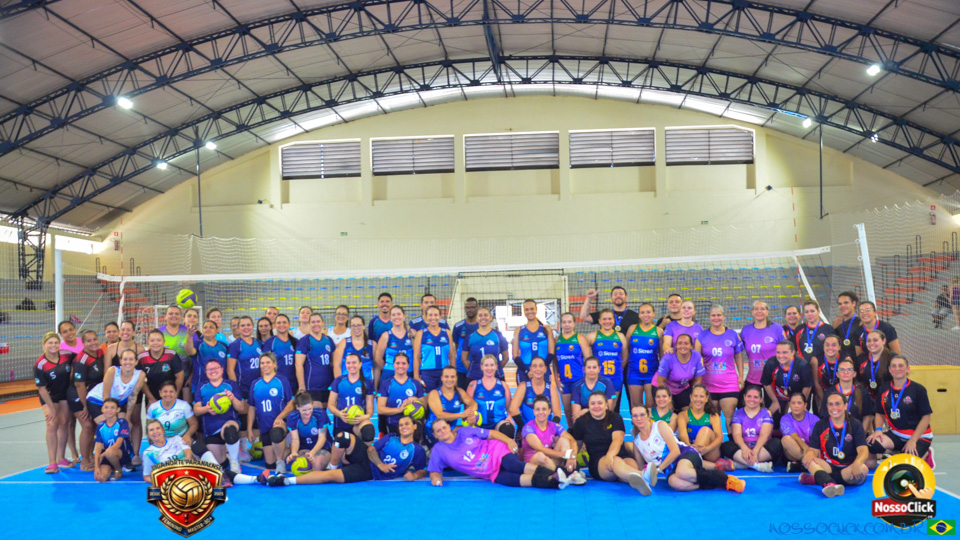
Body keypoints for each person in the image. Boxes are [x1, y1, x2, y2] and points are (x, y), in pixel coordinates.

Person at [264, 415, 426, 486]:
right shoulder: (391, 437)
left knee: (329, 477)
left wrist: (414, 475)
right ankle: (334, 464)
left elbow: (422, 470)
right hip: (366, 457)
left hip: (367, 472)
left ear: (414, 426)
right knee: (342, 437)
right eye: (401, 424)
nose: (403, 427)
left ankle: (286, 480)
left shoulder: (416, 450)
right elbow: (370, 449)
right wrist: (381, 465)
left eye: (406, 424)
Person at [428, 419, 571, 489]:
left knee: (513, 464)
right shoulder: (438, 450)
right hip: (489, 472)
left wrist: (509, 440)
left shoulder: (464, 431)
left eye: (444, 427)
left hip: (496, 450)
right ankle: (552, 481)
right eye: (438, 430)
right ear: (434, 435)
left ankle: (559, 473)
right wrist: (436, 479)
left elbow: (492, 434)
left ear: (449, 427)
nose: (443, 431)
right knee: (515, 481)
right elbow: (434, 471)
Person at [631, 404, 745, 493]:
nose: (639, 418)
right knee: (676, 483)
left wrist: (659, 469)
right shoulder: (637, 442)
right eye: (635, 416)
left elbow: (675, 451)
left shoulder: (659, 426)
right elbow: (642, 467)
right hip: (670, 469)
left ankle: (726, 480)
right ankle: (713, 483)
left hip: (684, 454)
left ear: (648, 416)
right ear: (631, 419)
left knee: (683, 472)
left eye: (642, 415)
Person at [569, 391, 651, 495]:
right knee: (616, 462)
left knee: (631, 465)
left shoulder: (615, 417)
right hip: (599, 462)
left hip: (620, 455)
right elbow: (577, 444)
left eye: (600, 403)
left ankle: (637, 481)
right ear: (588, 405)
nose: (596, 406)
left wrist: (610, 454)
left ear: (606, 405)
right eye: (593, 403)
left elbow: (618, 439)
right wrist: (571, 460)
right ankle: (644, 475)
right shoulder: (581, 422)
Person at [867, 355, 935, 469]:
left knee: (906, 466)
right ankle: (898, 451)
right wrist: (878, 430)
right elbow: (879, 413)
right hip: (896, 434)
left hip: (919, 436)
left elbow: (926, 417)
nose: (897, 368)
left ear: (907, 369)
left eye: (901, 365)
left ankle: (925, 453)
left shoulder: (918, 389)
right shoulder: (884, 388)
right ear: (889, 370)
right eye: (893, 366)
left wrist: (913, 440)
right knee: (871, 443)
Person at [800, 392, 872, 498]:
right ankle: (828, 483)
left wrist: (857, 463)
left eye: (838, 404)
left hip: (849, 469)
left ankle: (819, 479)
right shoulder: (820, 425)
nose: (834, 407)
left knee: (863, 469)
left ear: (845, 406)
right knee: (809, 460)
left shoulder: (855, 424)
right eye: (830, 404)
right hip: (829, 467)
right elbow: (814, 449)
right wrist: (810, 453)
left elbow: (863, 450)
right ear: (827, 406)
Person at [193, 359, 246, 472]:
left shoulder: (230, 385)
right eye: (209, 369)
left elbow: (241, 408)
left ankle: (234, 461)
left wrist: (233, 398)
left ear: (222, 370)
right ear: (206, 372)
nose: (213, 371)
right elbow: (196, 410)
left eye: (216, 368)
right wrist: (206, 409)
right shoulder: (201, 387)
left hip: (229, 422)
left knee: (229, 431)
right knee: (219, 464)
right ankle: (229, 455)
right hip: (211, 429)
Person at [698, 305, 743, 433]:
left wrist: (740, 376)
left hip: (729, 383)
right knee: (712, 418)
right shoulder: (702, 336)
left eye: (719, 315)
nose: (716, 318)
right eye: (713, 315)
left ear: (723, 316)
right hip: (708, 383)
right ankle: (714, 447)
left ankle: (732, 445)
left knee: (730, 417)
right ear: (709, 318)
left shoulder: (732, 334)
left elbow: (739, 357)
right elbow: (697, 358)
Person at [521, 395, 584, 484]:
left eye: (544, 409)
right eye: (538, 409)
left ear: (549, 411)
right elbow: (540, 449)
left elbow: (572, 440)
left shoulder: (554, 425)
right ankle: (568, 473)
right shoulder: (528, 428)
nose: (541, 412)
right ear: (534, 411)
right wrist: (564, 454)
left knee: (564, 440)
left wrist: (572, 457)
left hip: (550, 462)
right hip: (533, 464)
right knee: (540, 456)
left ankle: (568, 471)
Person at [248, 352, 294, 473]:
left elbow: (291, 403)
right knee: (270, 464)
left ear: (274, 364)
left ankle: (281, 462)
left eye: (268, 362)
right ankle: (288, 450)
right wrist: (249, 429)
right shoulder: (255, 384)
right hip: (264, 426)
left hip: (279, 424)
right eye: (262, 363)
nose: (265, 365)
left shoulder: (281, 381)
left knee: (276, 433)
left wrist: (280, 417)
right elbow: (251, 407)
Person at [36, 332, 75, 473]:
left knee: (64, 423)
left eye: (56, 342)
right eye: (50, 343)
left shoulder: (67, 355)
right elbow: (42, 389)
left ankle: (61, 458)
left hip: (64, 394)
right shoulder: (40, 364)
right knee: (52, 423)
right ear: (44, 345)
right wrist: (52, 409)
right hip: (49, 396)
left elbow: (80, 360)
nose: (53, 345)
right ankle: (52, 462)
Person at [328, 353, 376, 467]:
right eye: (348, 363)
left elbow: (370, 409)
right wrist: (340, 414)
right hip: (341, 423)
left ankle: (367, 458)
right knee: (346, 462)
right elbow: (330, 404)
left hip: (357, 424)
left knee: (369, 429)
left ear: (360, 364)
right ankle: (333, 466)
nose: (351, 365)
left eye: (354, 362)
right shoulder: (339, 381)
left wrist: (365, 416)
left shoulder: (367, 382)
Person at [720, 386, 780, 472]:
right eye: (749, 396)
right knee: (725, 445)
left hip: (761, 450)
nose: (752, 399)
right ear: (744, 397)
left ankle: (741, 464)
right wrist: (744, 448)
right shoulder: (738, 413)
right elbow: (737, 435)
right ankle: (757, 466)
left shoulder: (766, 413)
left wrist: (755, 451)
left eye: (755, 397)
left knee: (777, 443)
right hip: (744, 450)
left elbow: (764, 435)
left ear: (761, 399)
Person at [676, 385, 733, 470]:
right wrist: (690, 447)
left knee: (705, 430)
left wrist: (706, 449)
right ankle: (716, 465)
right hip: (690, 448)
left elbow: (719, 437)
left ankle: (691, 458)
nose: (698, 399)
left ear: (706, 398)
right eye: (695, 396)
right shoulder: (683, 415)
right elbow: (683, 435)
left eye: (701, 396)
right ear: (691, 397)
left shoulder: (713, 415)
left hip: (710, 452)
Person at [70, 330, 104, 471]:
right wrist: (85, 406)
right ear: (83, 343)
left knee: (94, 426)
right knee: (88, 426)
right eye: (89, 341)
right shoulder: (81, 359)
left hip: (94, 395)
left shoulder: (100, 352)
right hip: (78, 395)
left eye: (94, 339)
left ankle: (90, 456)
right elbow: (79, 384)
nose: (93, 343)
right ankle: (84, 461)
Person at [85, 349, 145, 425]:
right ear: (120, 361)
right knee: (109, 427)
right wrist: (110, 415)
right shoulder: (112, 371)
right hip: (97, 400)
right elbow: (105, 395)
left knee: (122, 427)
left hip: (118, 402)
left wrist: (127, 418)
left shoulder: (140, 375)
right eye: (125, 359)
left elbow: (132, 397)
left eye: (131, 359)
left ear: (136, 362)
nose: (128, 362)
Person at [761, 340, 812, 424]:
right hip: (778, 395)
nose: (781, 356)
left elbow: (807, 386)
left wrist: (802, 403)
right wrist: (774, 401)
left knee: (799, 419)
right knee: (775, 420)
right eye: (778, 352)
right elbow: (766, 383)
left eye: (785, 352)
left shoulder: (802, 365)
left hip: (798, 395)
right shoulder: (771, 363)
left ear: (793, 352)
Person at [282, 392, 332, 474]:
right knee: (301, 467)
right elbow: (295, 439)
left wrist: (312, 453)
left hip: (322, 447)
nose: (308, 412)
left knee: (317, 466)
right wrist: (294, 452)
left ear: (312, 405)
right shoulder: (292, 417)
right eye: (304, 410)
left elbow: (322, 438)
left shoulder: (320, 414)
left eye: (310, 409)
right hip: (304, 447)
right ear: (297, 407)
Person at [554, 312, 591, 424]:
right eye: (564, 322)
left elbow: (589, 360)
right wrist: (556, 378)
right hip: (564, 382)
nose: (567, 325)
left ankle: (582, 435)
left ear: (574, 324)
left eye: (569, 322)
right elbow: (555, 362)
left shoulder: (580, 338)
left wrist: (588, 380)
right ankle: (572, 432)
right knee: (568, 411)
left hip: (579, 380)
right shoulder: (556, 340)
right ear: (560, 324)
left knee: (579, 411)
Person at [624, 303, 662, 410]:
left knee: (651, 406)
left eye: (648, 312)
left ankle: (650, 427)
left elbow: (662, 354)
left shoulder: (658, 331)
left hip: (652, 373)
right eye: (642, 312)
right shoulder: (632, 329)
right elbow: (625, 349)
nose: (646, 315)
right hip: (634, 373)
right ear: (639, 315)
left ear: (654, 314)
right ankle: (636, 427)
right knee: (636, 406)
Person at [739, 301, 784, 391]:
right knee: (744, 403)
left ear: (767, 312)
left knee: (774, 404)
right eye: (756, 309)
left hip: (773, 378)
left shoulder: (777, 328)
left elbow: (787, 350)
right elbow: (736, 348)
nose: (759, 311)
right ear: (752, 312)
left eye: (762, 309)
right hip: (753, 378)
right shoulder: (746, 330)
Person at [425, 366, 477, 443]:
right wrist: (462, 415)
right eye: (446, 377)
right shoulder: (435, 393)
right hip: (435, 432)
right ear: (442, 378)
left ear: (456, 378)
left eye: (452, 377)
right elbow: (440, 415)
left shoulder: (459, 391)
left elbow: (473, 403)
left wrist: (470, 413)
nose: (449, 379)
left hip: (451, 430)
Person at [653, 334, 705, 412]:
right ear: (676, 346)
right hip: (664, 387)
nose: (682, 346)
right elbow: (660, 381)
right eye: (680, 343)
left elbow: (697, 380)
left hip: (682, 389)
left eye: (686, 343)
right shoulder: (668, 358)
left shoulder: (697, 356)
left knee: (688, 412)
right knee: (668, 412)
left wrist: (693, 399)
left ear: (691, 346)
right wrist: (668, 401)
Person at [467, 354, 514, 437]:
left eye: (492, 365)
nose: (489, 368)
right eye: (486, 365)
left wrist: (509, 417)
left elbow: (508, 408)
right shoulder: (473, 385)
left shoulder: (503, 385)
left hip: (498, 424)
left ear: (496, 366)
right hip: (479, 425)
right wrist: (471, 419)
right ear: (481, 367)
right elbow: (468, 409)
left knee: (508, 428)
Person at [377, 353, 425, 434]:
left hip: (412, 425)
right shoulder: (386, 384)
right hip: (394, 424)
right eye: (398, 363)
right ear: (393, 365)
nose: (400, 366)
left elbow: (425, 407)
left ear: (408, 365)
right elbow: (380, 409)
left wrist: (417, 400)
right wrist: (399, 410)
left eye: (403, 363)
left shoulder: (415, 383)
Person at [295, 312, 335, 409]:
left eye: (318, 321)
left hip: (328, 384)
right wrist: (301, 385)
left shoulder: (328, 340)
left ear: (323, 323)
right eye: (313, 322)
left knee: (325, 413)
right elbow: (298, 364)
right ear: (309, 324)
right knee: (317, 413)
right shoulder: (305, 341)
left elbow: (334, 362)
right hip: (312, 386)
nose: (316, 324)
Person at [509, 357, 562, 429]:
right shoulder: (524, 386)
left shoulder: (551, 389)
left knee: (565, 439)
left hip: (545, 430)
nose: (538, 369)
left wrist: (550, 430)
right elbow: (513, 409)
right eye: (535, 366)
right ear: (530, 368)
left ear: (545, 369)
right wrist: (523, 428)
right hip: (527, 430)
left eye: (541, 366)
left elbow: (557, 413)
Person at [586, 309, 626, 403]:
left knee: (611, 406)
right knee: (598, 404)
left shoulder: (620, 336)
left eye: (609, 319)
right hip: (598, 378)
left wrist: (619, 369)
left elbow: (625, 357)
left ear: (614, 320)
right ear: (599, 321)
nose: (607, 321)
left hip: (616, 377)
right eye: (604, 319)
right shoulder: (592, 336)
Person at [822, 357, 874, 431]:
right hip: (835, 433)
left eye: (849, 370)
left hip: (857, 433)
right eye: (842, 370)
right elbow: (825, 418)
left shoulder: (863, 392)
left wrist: (860, 437)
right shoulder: (829, 393)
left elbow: (867, 417)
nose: (845, 372)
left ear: (854, 374)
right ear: (837, 374)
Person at [512, 299, 554, 385]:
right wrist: (527, 370)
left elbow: (551, 353)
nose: (529, 311)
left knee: (544, 398)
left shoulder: (546, 329)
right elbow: (515, 356)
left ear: (536, 309)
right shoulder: (518, 330)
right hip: (524, 371)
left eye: (532, 309)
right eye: (526, 309)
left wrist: (541, 369)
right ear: (523, 311)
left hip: (543, 370)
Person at [414, 305, 456, 392]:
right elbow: (416, 357)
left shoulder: (447, 333)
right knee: (428, 399)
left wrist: (454, 374)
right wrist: (416, 376)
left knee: (444, 398)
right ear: (426, 317)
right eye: (430, 315)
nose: (433, 318)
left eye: (436, 315)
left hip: (445, 373)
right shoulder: (420, 333)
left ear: (440, 317)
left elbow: (452, 355)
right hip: (427, 373)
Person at [58, 320, 83, 465]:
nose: (69, 333)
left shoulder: (83, 342)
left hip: (83, 387)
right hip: (66, 388)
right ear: (61, 335)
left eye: (71, 329)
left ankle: (89, 451)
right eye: (65, 331)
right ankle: (74, 453)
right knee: (69, 422)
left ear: (75, 330)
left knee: (86, 422)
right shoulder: (60, 348)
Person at [139, 329, 184, 407]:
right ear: (148, 342)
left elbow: (180, 376)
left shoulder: (171, 354)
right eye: (152, 340)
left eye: (158, 340)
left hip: (170, 394)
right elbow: (140, 380)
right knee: (152, 418)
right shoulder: (142, 358)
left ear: (164, 341)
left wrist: (174, 395)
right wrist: (150, 398)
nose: (155, 343)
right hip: (152, 395)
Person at [185, 320, 229, 400]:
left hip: (221, 386)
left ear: (217, 330)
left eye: (211, 327)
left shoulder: (224, 346)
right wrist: (189, 336)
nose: (208, 329)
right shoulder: (198, 344)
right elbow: (189, 352)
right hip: (201, 385)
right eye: (205, 327)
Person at [462, 307, 509, 381]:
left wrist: (494, 369)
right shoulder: (470, 336)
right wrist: (474, 371)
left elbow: (505, 358)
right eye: (480, 315)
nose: (483, 317)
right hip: (475, 377)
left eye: (486, 315)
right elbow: (464, 359)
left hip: (496, 376)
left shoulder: (498, 335)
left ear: (491, 318)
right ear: (476, 319)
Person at [145, 380, 198, 445]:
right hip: (162, 442)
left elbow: (194, 424)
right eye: (165, 391)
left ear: (175, 393)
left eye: (171, 391)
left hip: (182, 440)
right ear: (160, 393)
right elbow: (148, 428)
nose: (168, 394)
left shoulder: (184, 406)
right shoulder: (153, 408)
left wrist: (187, 435)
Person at [93, 398, 133, 482]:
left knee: (110, 453)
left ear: (118, 410)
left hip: (122, 454)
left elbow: (118, 444)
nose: (109, 410)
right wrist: (96, 467)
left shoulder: (122, 422)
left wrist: (102, 455)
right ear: (102, 409)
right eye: (106, 407)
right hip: (107, 454)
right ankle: (110, 468)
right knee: (100, 478)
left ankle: (118, 470)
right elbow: (98, 448)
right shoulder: (100, 426)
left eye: (112, 407)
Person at [375, 306, 414, 390]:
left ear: (404, 316)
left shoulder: (412, 334)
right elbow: (378, 358)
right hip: (390, 374)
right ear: (390, 318)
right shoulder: (385, 335)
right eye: (393, 315)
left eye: (399, 314)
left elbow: (419, 355)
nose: (396, 317)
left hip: (409, 373)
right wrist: (390, 368)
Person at [779, 392, 819, 472]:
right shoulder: (785, 419)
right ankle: (809, 463)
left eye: (799, 403)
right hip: (795, 453)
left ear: (805, 405)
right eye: (793, 403)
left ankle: (802, 465)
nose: (796, 406)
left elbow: (817, 440)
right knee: (786, 439)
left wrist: (810, 451)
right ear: (789, 405)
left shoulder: (814, 419)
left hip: (812, 451)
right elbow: (794, 436)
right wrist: (805, 448)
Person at [263, 314, 298, 390]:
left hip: (294, 383)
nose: (281, 325)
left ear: (289, 325)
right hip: (276, 383)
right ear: (274, 325)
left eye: (284, 322)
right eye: (278, 323)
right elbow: (264, 365)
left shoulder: (295, 342)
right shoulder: (270, 342)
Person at [451, 297, 480, 389]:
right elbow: (457, 346)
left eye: (472, 307)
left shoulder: (481, 326)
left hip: (477, 368)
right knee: (461, 396)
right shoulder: (458, 326)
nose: (470, 310)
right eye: (467, 307)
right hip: (461, 369)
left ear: (477, 308)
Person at [856, 329, 892, 401]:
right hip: (868, 399)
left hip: (888, 399)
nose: (871, 343)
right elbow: (858, 381)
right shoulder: (861, 359)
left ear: (884, 341)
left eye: (875, 340)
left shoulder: (892, 359)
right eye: (869, 340)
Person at [795, 299, 835, 365]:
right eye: (807, 312)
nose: (809, 314)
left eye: (812, 311)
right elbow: (794, 349)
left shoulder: (828, 329)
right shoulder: (799, 329)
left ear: (818, 311)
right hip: (803, 367)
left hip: (822, 367)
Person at [333, 315, 372, 381]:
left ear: (364, 326)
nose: (356, 327)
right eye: (353, 325)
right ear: (350, 327)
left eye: (359, 325)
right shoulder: (343, 343)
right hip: (347, 384)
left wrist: (375, 386)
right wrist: (339, 384)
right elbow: (337, 366)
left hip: (366, 384)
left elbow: (377, 367)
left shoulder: (372, 344)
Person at [811, 335, 843, 410]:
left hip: (840, 393)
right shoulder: (815, 360)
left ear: (839, 347)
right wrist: (825, 401)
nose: (830, 348)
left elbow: (847, 382)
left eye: (834, 345)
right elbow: (816, 383)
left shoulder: (845, 359)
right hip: (822, 393)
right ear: (823, 346)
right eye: (827, 345)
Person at [832, 291, 862, 360]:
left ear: (854, 303)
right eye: (840, 304)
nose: (842, 306)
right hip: (841, 362)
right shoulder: (836, 323)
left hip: (857, 361)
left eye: (846, 302)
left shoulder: (861, 322)